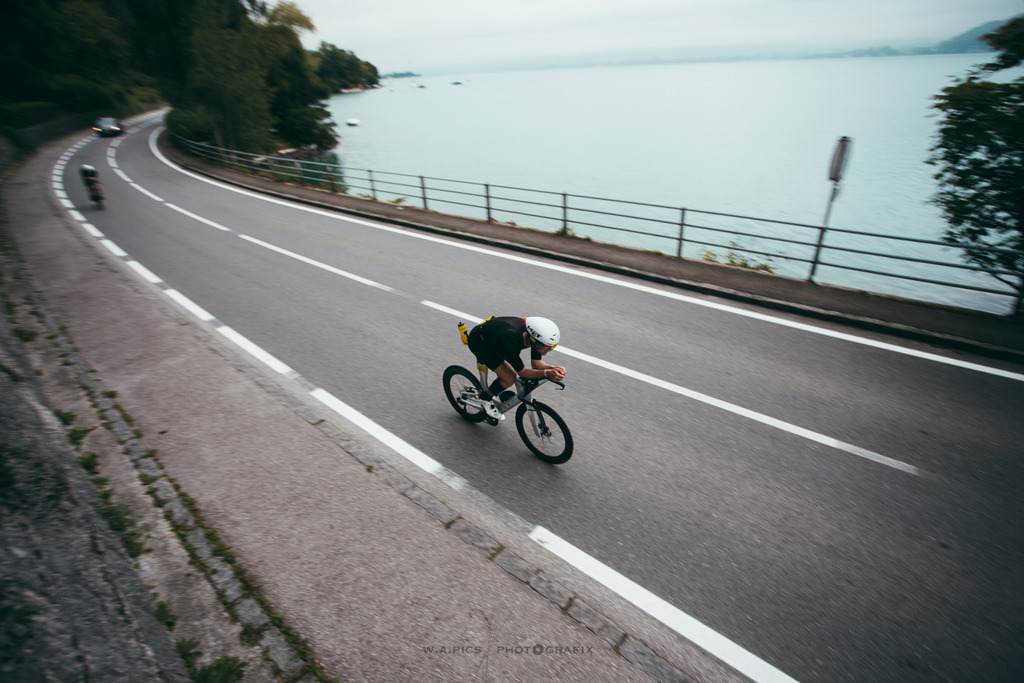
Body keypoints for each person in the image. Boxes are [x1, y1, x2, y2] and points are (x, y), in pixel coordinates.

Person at [467, 316, 566, 421]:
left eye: (552, 347)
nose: (548, 350)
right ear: (534, 340)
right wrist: (547, 373)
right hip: (480, 342)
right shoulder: (512, 340)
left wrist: (554, 369)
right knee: (509, 377)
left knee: (510, 372)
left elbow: (536, 363)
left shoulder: (534, 337)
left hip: (495, 337)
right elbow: (523, 372)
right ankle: (485, 399)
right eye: (546, 347)